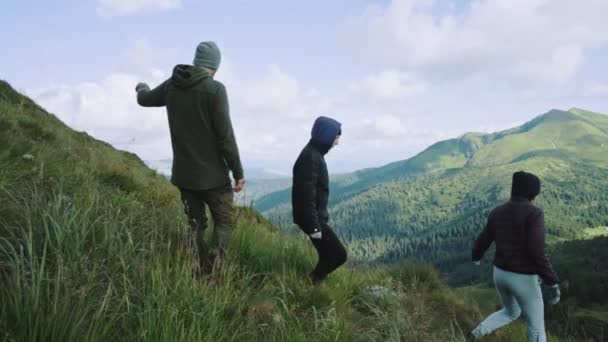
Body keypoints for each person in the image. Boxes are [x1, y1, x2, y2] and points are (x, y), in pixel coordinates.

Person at [135, 41, 245, 272]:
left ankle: (193, 266)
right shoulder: (215, 90)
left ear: (196, 61)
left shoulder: (172, 86)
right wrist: (238, 172)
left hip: (184, 176)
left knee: (195, 224)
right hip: (214, 178)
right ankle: (214, 273)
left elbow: (144, 99)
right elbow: (225, 137)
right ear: (215, 66)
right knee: (224, 223)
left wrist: (141, 87)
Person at [470, 171, 560, 342]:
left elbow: (484, 238)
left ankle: (476, 334)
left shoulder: (497, 211)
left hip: (500, 274)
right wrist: (552, 282)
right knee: (536, 327)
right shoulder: (534, 214)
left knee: (511, 312)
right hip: (523, 279)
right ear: (532, 193)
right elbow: (537, 252)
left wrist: (476, 256)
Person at [292, 116, 347, 284]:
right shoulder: (311, 157)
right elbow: (305, 195)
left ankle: (314, 284)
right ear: (326, 135)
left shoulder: (314, 154)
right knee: (338, 255)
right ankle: (312, 281)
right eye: (335, 138)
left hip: (313, 217)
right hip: (311, 218)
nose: (336, 143)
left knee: (327, 254)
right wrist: (314, 226)